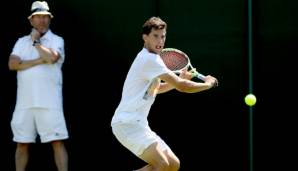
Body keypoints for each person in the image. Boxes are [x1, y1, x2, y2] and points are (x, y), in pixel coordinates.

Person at [111, 16, 218, 171]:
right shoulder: (149, 60)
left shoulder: (153, 59)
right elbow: (182, 86)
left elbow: (155, 89)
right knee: (162, 165)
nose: (160, 41)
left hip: (139, 124)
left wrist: (177, 81)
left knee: (173, 165)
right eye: (155, 36)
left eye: (163, 36)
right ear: (145, 37)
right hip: (126, 124)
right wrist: (207, 84)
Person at [8, 1, 68, 171]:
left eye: (45, 17)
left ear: (49, 20)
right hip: (24, 104)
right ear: (31, 20)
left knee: (57, 142)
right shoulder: (20, 42)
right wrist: (39, 60)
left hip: (50, 103)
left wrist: (36, 43)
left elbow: (52, 58)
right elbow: (12, 64)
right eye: (38, 17)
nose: (41, 20)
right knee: (21, 144)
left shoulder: (57, 40)